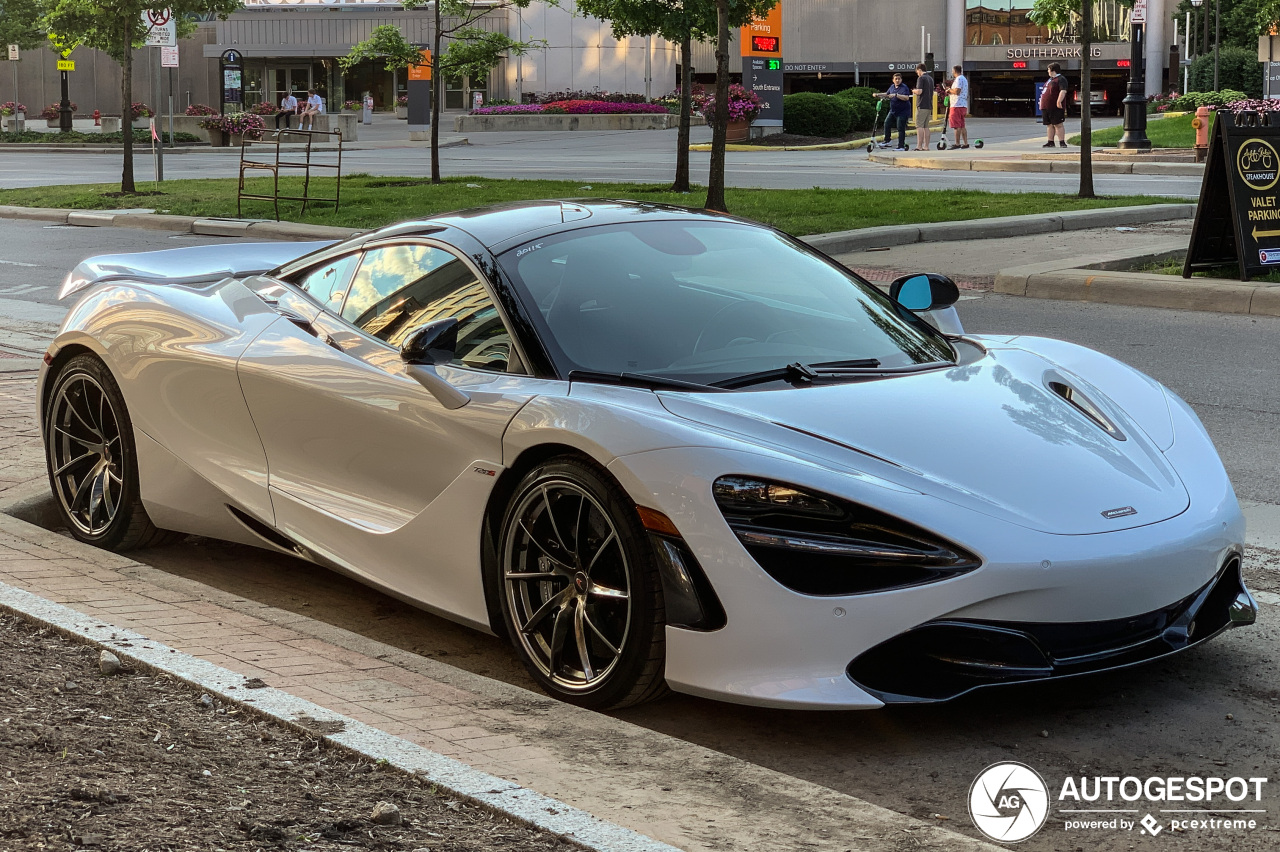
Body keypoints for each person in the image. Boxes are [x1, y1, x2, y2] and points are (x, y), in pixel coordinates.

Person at [875, 72, 912, 151]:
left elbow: (906, 98)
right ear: (893, 80)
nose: (897, 80)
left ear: (901, 80)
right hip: (893, 110)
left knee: (900, 128)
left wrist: (896, 95)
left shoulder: (904, 87)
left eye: (899, 79)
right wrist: (878, 94)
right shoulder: (892, 87)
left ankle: (901, 146)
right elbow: (887, 94)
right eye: (896, 79)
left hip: (903, 111)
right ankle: (887, 141)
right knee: (887, 123)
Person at [1040, 63, 1069, 148]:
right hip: (1046, 106)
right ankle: (1050, 142)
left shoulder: (1061, 79)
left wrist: (1059, 101)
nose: (1047, 71)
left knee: (1058, 124)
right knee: (1049, 124)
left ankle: (1062, 142)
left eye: (1048, 70)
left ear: (1053, 70)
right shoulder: (1050, 80)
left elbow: (1063, 90)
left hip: (1055, 106)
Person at [947, 64, 970, 149]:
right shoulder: (964, 79)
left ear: (954, 71)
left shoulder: (958, 79)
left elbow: (957, 91)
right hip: (963, 104)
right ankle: (965, 143)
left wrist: (949, 90)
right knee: (962, 125)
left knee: (956, 126)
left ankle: (957, 143)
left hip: (957, 104)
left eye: (952, 71)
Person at [912, 63, 934, 151]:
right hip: (929, 105)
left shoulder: (921, 78)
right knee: (926, 126)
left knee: (919, 126)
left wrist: (914, 91)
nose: (917, 73)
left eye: (917, 71)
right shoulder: (930, 78)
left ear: (919, 70)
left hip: (921, 104)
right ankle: (926, 146)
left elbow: (920, 91)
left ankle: (919, 146)